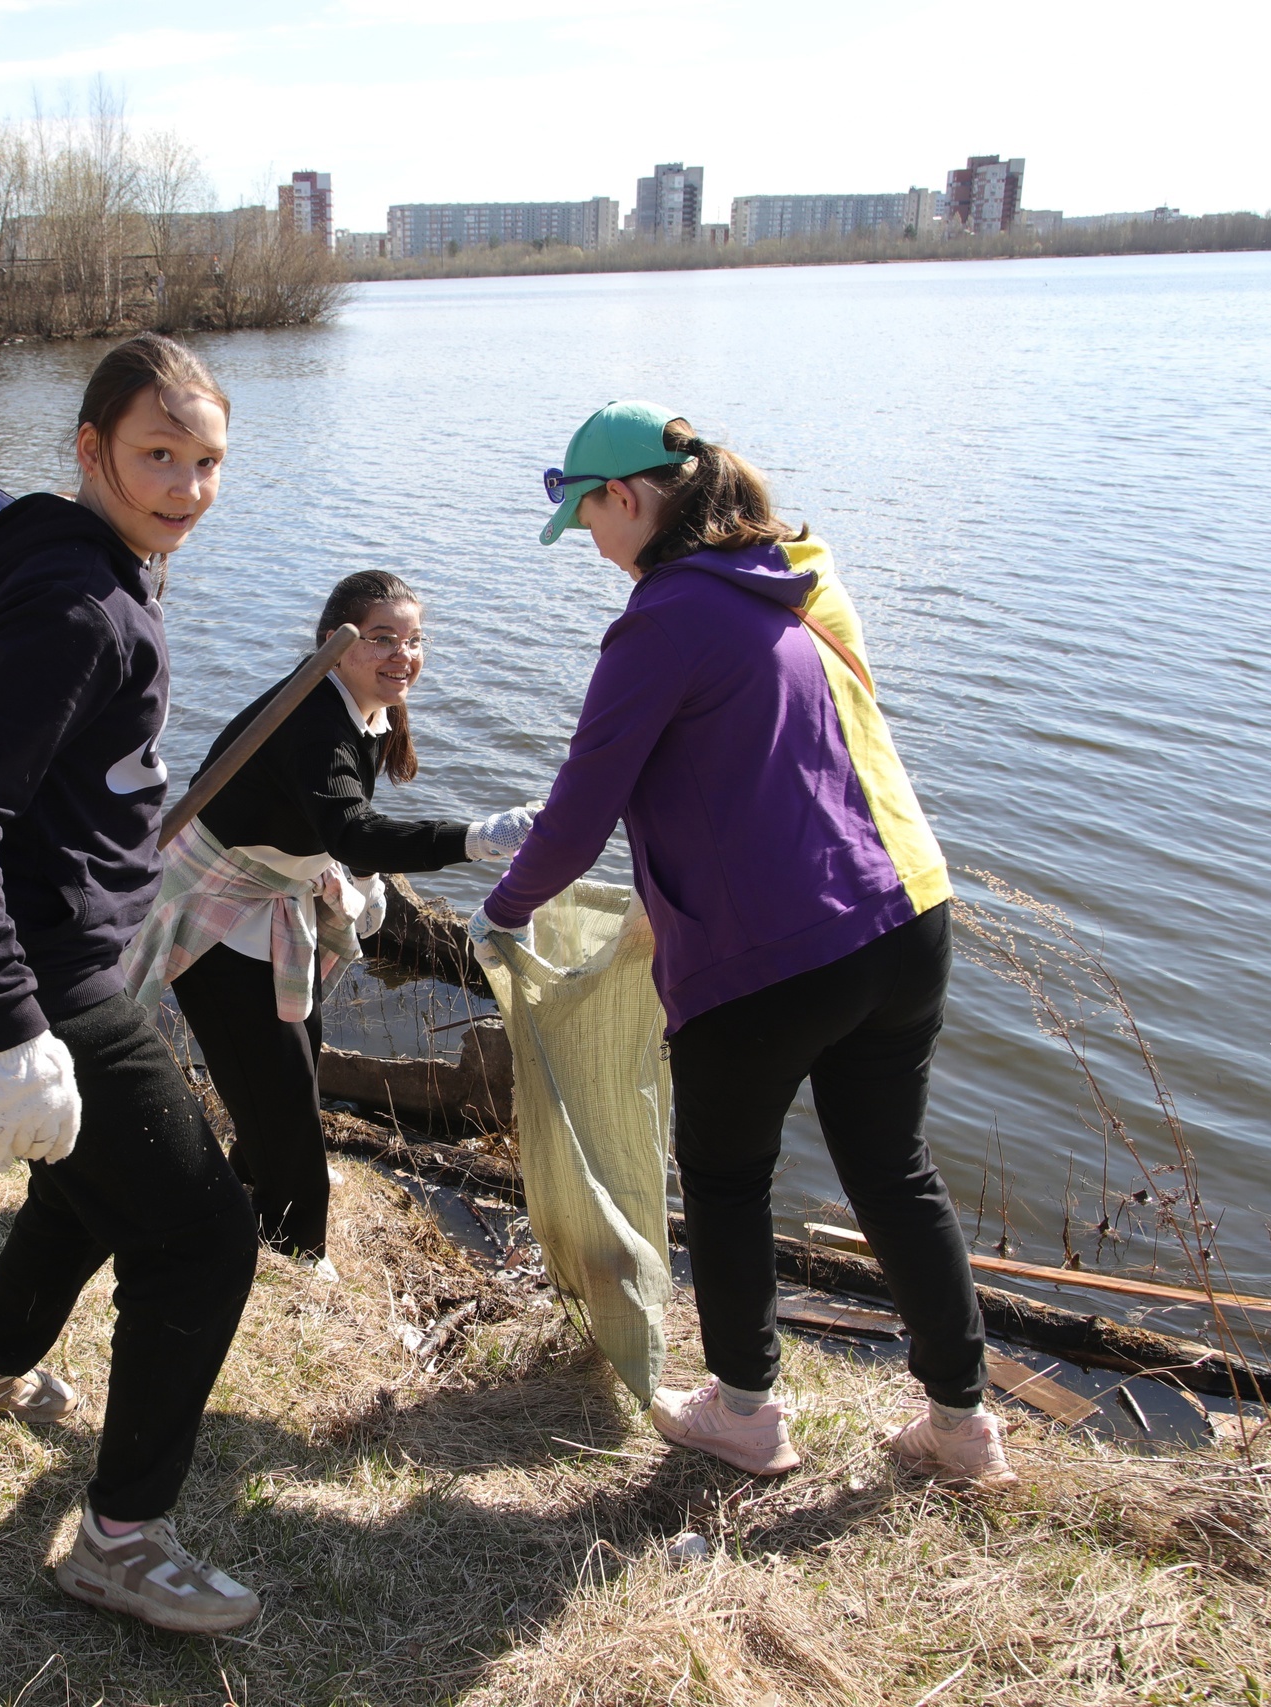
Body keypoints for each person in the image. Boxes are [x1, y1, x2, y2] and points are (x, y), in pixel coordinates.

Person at [471, 400, 1012, 1489]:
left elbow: (580, 816)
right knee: (893, 1171)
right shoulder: (795, 581)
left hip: (775, 953)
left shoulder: (664, 615)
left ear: (627, 499)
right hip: (908, 914)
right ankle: (963, 1428)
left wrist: (504, 910)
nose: (592, 548)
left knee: (726, 1179)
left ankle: (746, 1414)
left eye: (589, 522)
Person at [0, 333, 263, 1633]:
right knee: (207, 1230)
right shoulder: (80, 607)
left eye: (207, 458)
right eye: (157, 453)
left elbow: (51, 785)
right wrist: (12, 1032)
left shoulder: (84, 563)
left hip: (47, 954)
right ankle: (120, 1536)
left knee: (90, 1183)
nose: (185, 483)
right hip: (34, 976)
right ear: (91, 449)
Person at [120, 571, 534, 1274]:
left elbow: (337, 828)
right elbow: (352, 831)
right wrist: (471, 837)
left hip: (270, 901)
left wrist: (362, 878)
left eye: (413, 639)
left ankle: (252, 1198)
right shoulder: (312, 718)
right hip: (217, 912)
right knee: (285, 1108)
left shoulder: (362, 708)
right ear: (333, 645)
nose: (403, 655)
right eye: (382, 638)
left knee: (294, 1071)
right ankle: (298, 1252)